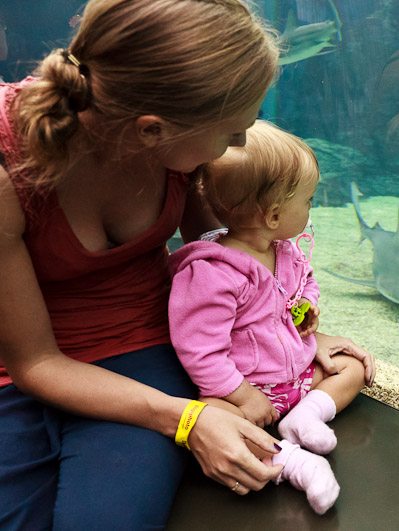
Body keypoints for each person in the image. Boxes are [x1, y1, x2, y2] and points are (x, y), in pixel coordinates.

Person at [0, 0, 303, 528]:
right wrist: (189, 421)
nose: (238, 145)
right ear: (150, 130)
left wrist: (295, 327)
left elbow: (228, 257)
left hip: (145, 342)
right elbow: (35, 363)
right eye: (232, 130)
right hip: (19, 357)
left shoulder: (185, 151)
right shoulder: (8, 169)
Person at [168, 120, 376, 514]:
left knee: (352, 366)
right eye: (309, 200)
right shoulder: (212, 274)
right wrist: (244, 396)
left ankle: (305, 417)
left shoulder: (285, 251)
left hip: (295, 376)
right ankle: (293, 462)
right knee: (217, 423)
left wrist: (306, 310)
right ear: (275, 215)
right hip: (243, 391)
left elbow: (303, 285)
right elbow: (200, 351)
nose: (311, 207)